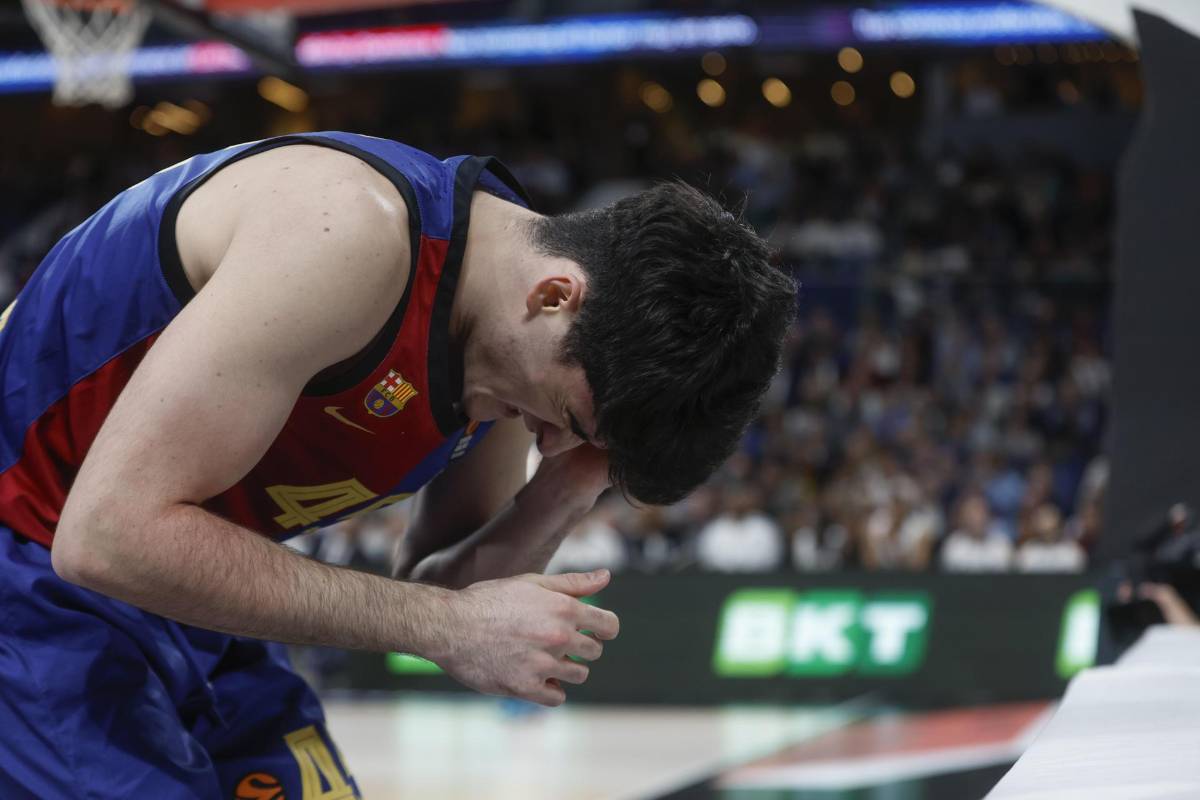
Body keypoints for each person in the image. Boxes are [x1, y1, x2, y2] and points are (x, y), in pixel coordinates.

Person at [0, 132, 795, 797]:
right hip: (32, 557)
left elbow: (441, 594)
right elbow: (106, 536)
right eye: (572, 421)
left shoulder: (510, 346)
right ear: (556, 296)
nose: (553, 440)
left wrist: (570, 483)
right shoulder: (346, 234)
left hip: (173, 587)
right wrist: (446, 626)